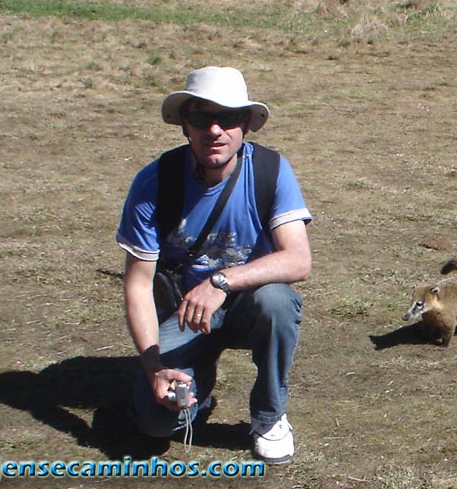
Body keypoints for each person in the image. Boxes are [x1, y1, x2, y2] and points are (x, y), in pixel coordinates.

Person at [116, 66, 312, 464]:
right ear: (185, 125)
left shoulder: (271, 172)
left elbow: (298, 259)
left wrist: (222, 281)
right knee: (155, 424)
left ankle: (269, 415)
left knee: (278, 301)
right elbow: (138, 284)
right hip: (183, 315)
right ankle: (196, 388)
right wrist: (153, 367)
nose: (216, 130)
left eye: (230, 118)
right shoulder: (154, 183)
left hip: (247, 304)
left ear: (246, 125)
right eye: (203, 118)